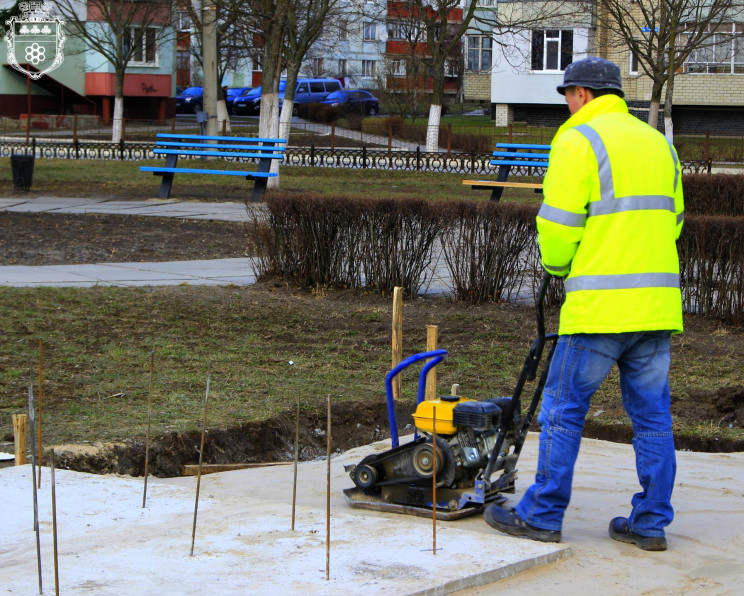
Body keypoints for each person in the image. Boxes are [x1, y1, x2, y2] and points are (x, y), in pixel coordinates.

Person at [483, 57, 684, 552]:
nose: (567, 105)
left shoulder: (579, 139)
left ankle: (542, 513)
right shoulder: (660, 143)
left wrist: (557, 267)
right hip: (656, 309)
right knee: (654, 417)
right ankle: (651, 523)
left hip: (598, 310)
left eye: (567, 94)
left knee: (562, 410)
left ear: (584, 94)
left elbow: (557, 223)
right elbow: (674, 219)